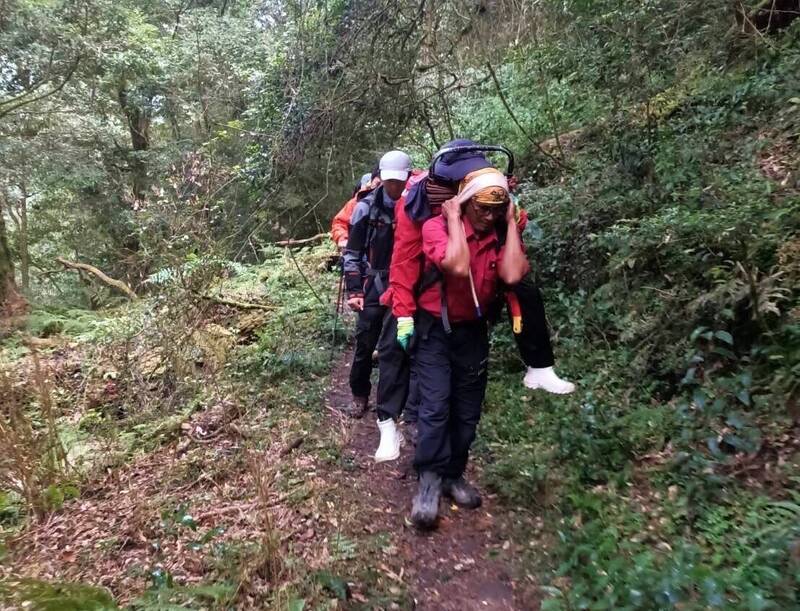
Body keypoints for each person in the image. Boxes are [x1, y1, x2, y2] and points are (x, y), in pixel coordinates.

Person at [387, 140, 574, 396]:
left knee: (523, 287)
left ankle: (539, 365)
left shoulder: (489, 193)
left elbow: (513, 235)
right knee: (397, 348)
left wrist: (511, 216)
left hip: (481, 272)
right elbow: (404, 262)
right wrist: (404, 313)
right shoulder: (417, 203)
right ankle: (392, 414)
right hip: (436, 282)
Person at [410, 169, 529, 529]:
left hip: (473, 332)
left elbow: (511, 275)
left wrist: (509, 225)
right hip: (435, 329)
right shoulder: (436, 226)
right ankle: (428, 482)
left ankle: (453, 474)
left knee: (467, 409)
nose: (488, 215)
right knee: (435, 406)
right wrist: (454, 218)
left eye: (497, 208)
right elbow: (457, 265)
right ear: (466, 202)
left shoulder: (499, 231)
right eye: (482, 208)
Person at [342, 151, 411, 421]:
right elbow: (353, 251)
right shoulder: (365, 208)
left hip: (402, 284)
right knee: (365, 343)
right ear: (381, 178)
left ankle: (391, 406)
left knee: (396, 346)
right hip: (373, 283)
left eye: (399, 181)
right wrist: (355, 289)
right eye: (390, 180)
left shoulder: (414, 206)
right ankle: (359, 395)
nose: (394, 186)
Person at [330, 171, 378, 250]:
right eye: (366, 186)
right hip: (356, 248)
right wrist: (343, 239)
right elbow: (339, 223)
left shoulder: (387, 200)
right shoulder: (354, 203)